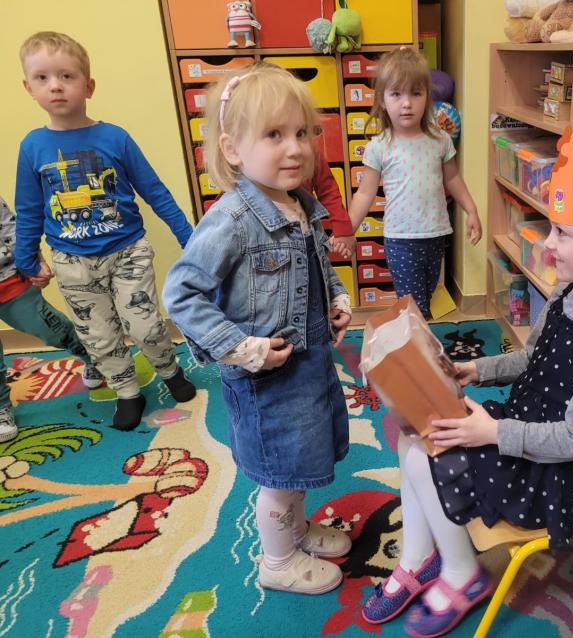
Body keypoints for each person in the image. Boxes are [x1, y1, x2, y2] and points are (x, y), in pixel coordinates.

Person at [361, 130, 573, 637]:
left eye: (562, 233)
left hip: (566, 473)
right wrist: (476, 370)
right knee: (415, 432)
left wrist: (490, 433)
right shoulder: (570, 292)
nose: (548, 243)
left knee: (426, 456)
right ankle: (418, 558)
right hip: (529, 430)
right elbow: (533, 358)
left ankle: (461, 575)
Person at [163, 62, 353, 595]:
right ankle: (277, 560)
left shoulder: (300, 205)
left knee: (296, 465)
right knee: (277, 474)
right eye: (274, 135)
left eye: (302, 133)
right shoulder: (231, 220)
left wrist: (336, 297)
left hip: (309, 366)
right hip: (266, 381)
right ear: (232, 149)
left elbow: (315, 264)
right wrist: (240, 347)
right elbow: (181, 293)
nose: (295, 148)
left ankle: (296, 530)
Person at [14, 31, 196, 431]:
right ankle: (127, 391)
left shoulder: (115, 138)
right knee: (98, 335)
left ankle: (170, 370)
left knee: (145, 326)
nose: (56, 86)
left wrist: (188, 236)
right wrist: (26, 259)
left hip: (128, 251)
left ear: (89, 85)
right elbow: (28, 210)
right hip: (71, 262)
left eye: (66, 76)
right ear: (28, 88)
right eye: (43, 78)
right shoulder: (32, 147)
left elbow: (155, 191)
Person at [348, 47, 482, 319]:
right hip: (400, 240)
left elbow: (452, 178)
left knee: (426, 296)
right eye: (397, 94)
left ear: (427, 98)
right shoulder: (380, 146)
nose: (406, 103)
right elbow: (365, 193)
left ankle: (416, 337)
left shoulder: (440, 140)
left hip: (436, 235)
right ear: (383, 99)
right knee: (415, 307)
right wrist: (347, 229)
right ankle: (416, 343)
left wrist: (472, 210)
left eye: (416, 93)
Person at [0, 195, 104, 442]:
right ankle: (1, 408)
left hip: (9, 280)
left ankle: (92, 356)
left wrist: (32, 261)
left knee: (52, 329)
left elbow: (11, 227)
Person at [306, 141, 356, 259]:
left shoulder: (311, 151)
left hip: (307, 234)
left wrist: (343, 230)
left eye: (300, 133)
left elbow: (327, 190)